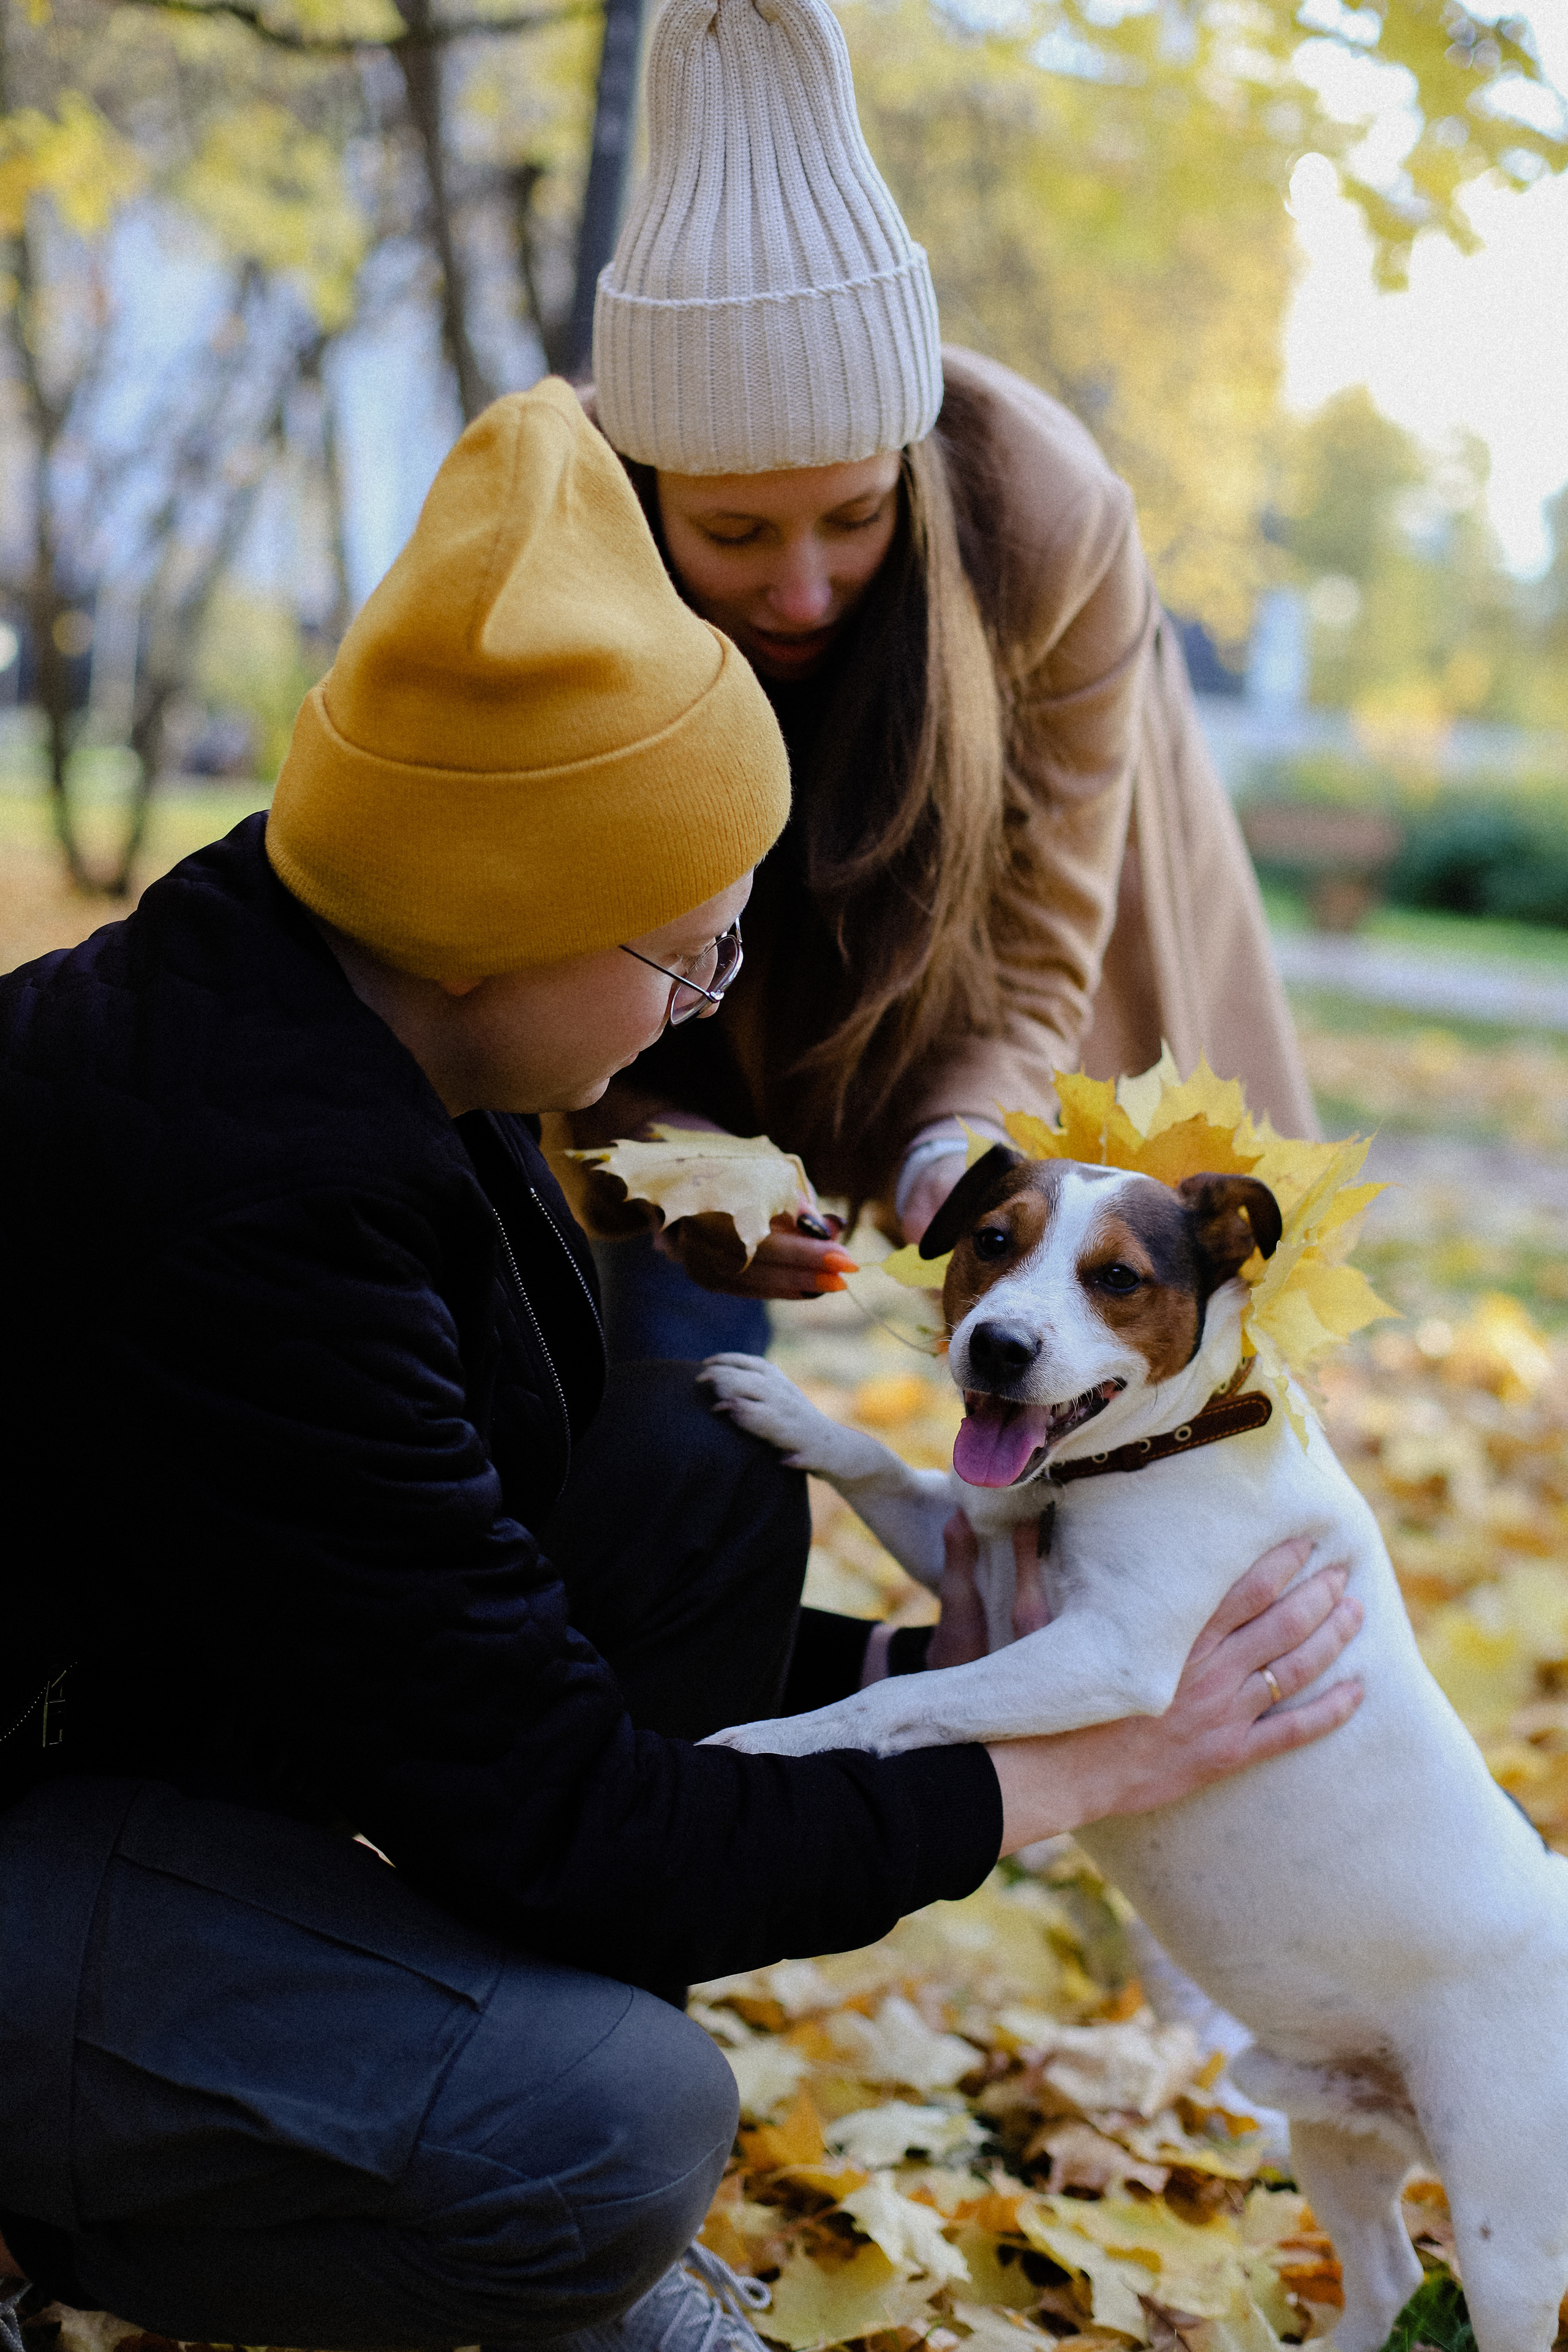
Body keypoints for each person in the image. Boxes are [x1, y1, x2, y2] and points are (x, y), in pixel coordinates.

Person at [0, 381, 1363, 2352]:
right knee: (609, 2131)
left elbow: (456, 1618)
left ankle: (326, 2075)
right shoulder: (251, 1209)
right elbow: (562, 1812)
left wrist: (922, 1677)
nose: (710, 1005)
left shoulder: (348, 1003)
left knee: (701, 1480)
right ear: (493, 928)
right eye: (684, 959)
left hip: (120, 1709)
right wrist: (1081, 1761)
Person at [566, 0, 1317, 1363]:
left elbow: (1038, 951)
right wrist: (675, 1166)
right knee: (646, 1397)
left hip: (985, 974)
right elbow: (508, 963)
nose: (799, 591)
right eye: (733, 534)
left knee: (1154, 1430)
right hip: (645, 1030)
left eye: (852, 521)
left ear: (908, 475)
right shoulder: (549, 526)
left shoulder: (1048, 519)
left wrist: (954, 1148)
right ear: (642, 495)